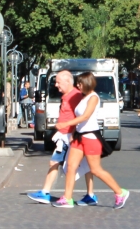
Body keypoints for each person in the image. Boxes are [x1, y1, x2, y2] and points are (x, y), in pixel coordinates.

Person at [53, 72, 130, 209]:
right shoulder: (84, 97)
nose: (78, 85)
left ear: (88, 83)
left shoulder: (93, 97)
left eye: (80, 83)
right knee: (71, 166)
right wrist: (73, 132)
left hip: (90, 137)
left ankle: (120, 192)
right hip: (79, 136)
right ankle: (68, 198)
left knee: (95, 169)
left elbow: (85, 116)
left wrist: (65, 124)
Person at [26, 71, 95, 205]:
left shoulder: (75, 96)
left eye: (58, 82)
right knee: (84, 165)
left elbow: (80, 116)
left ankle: (47, 193)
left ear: (68, 81)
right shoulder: (67, 95)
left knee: (58, 163)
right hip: (65, 135)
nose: (56, 85)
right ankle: (89, 195)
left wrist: (73, 133)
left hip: (68, 136)